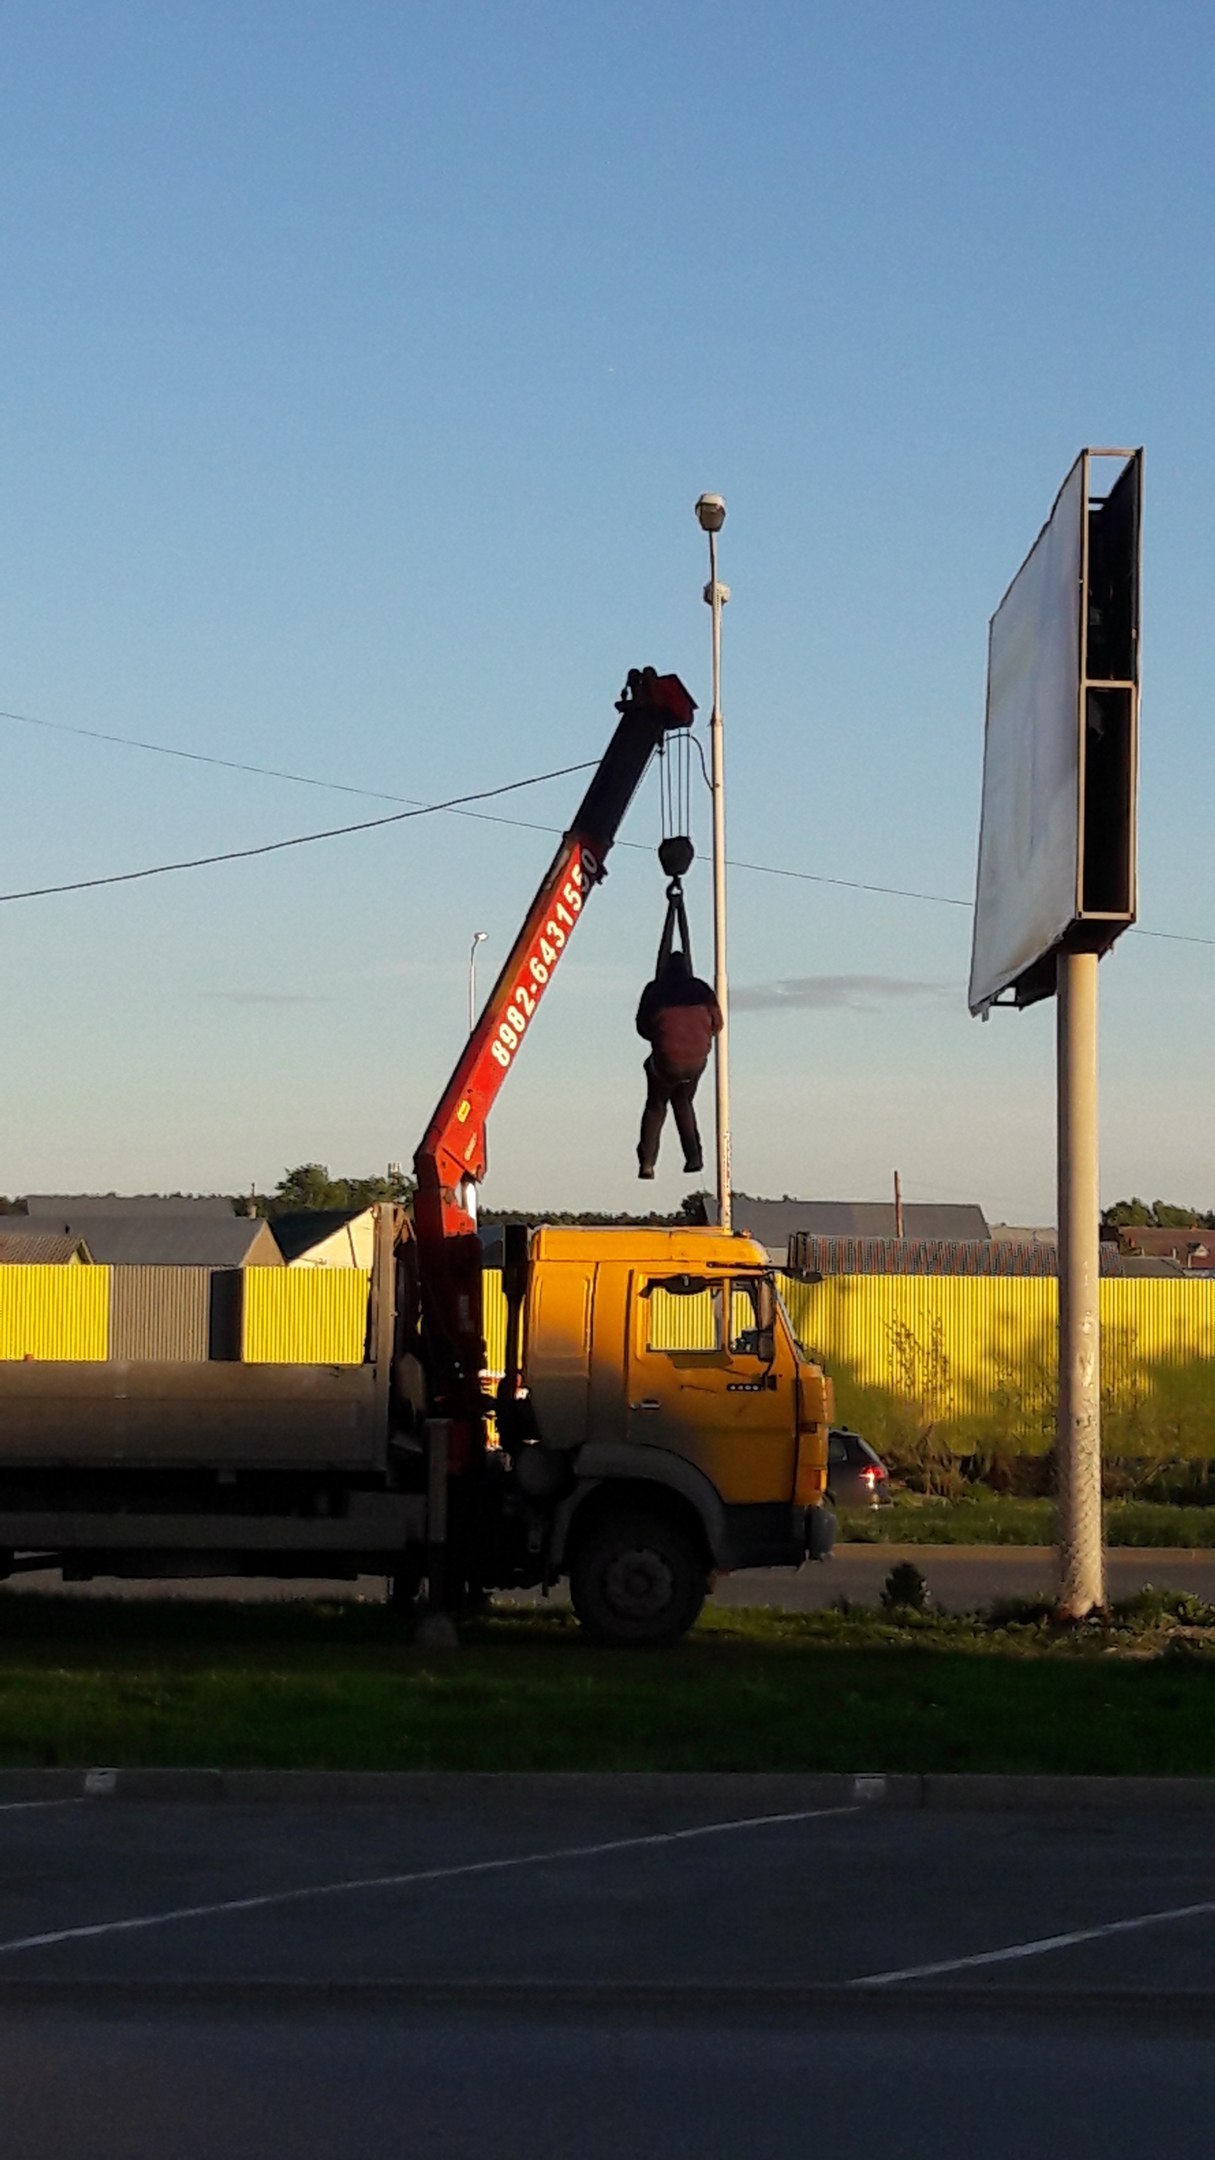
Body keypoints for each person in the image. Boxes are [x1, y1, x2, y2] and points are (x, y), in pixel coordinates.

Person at [635, 949, 723, 1178]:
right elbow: (718, 1024)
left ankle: (647, 1162)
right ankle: (694, 1157)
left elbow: (642, 1027)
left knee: (656, 1105)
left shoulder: (655, 989)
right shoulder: (701, 990)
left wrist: (661, 1035)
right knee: (683, 1101)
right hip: (695, 1061)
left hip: (666, 1061)